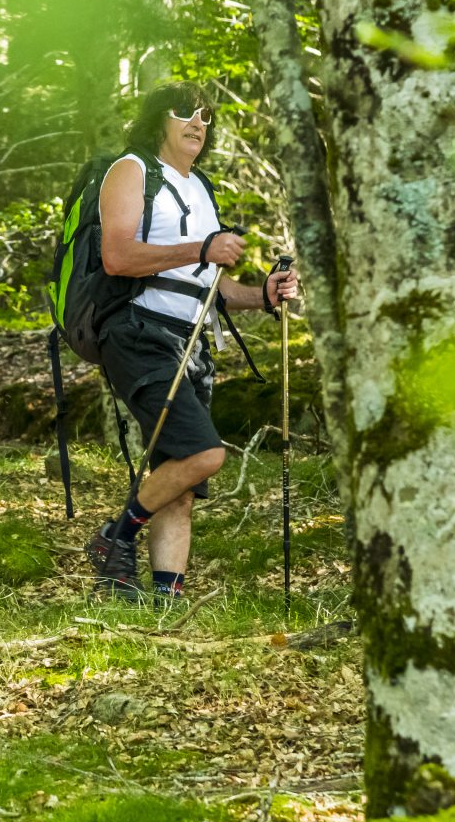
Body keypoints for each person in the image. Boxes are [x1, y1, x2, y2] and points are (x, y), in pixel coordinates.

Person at [84, 82, 296, 600]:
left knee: (177, 478)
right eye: (185, 113)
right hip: (139, 331)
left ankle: (164, 599)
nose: (198, 123)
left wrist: (262, 295)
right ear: (159, 119)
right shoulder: (131, 170)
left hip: (191, 341)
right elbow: (118, 256)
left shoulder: (199, 186)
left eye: (206, 114)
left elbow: (209, 285)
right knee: (203, 454)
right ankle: (117, 537)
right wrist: (202, 246)